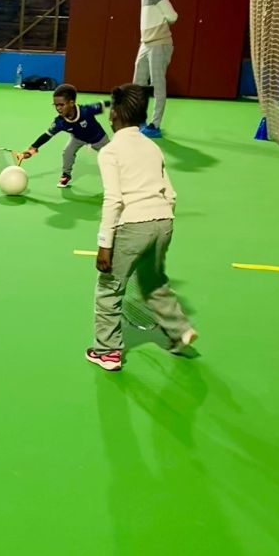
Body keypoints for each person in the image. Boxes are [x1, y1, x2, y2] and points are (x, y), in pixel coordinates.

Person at [86, 83, 197, 372]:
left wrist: (104, 244)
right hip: (164, 223)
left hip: (133, 226)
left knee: (108, 289)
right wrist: (159, 222)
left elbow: (113, 200)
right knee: (153, 281)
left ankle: (107, 351)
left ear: (115, 114)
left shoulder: (109, 152)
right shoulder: (152, 147)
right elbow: (171, 194)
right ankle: (180, 331)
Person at [18, 84, 109, 188]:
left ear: (71, 103)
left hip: (98, 138)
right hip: (78, 138)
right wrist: (32, 149)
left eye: (61, 105)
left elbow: (104, 104)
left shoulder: (86, 111)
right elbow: (47, 135)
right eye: (56, 105)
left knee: (112, 156)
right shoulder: (60, 122)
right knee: (67, 153)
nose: (58, 108)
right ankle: (66, 175)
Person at [131, 0, 177, 138]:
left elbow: (172, 16)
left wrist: (159, 30)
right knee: (138, 83)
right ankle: (139, 119)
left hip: (160, 44)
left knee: (157, 85)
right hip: (146, 44)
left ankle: (155, 125)